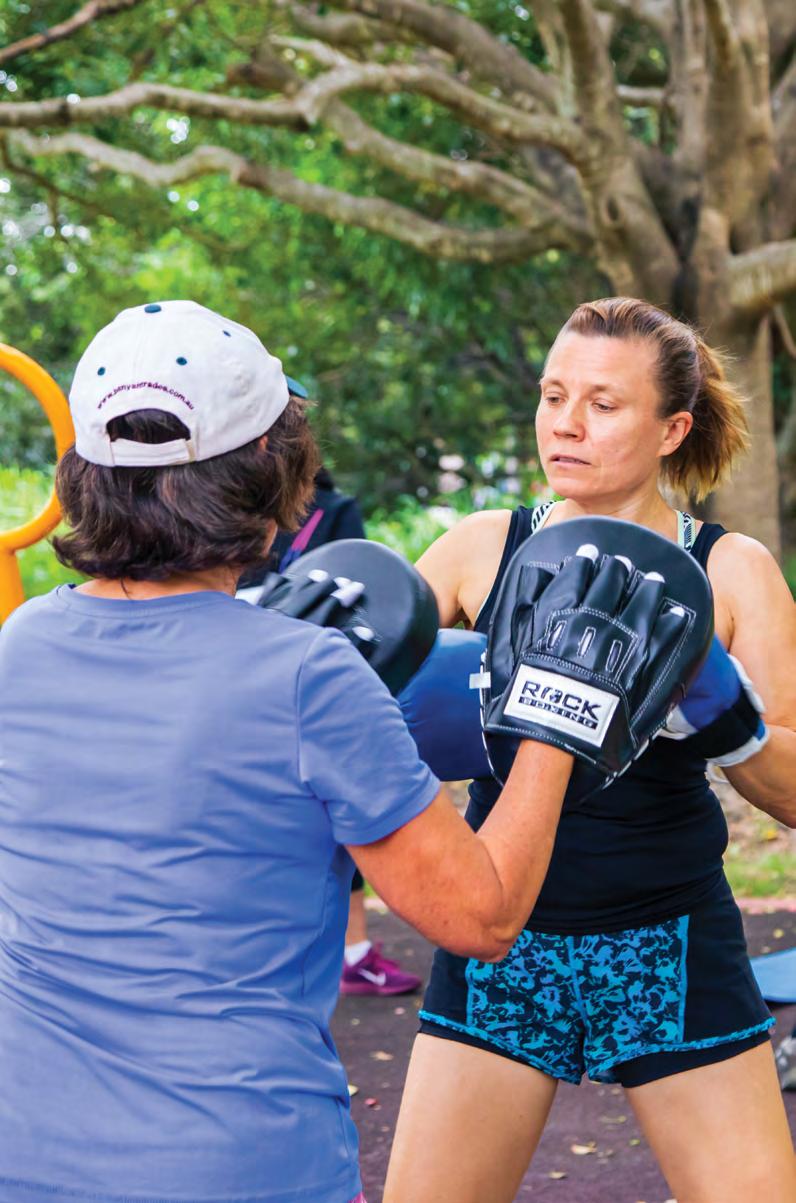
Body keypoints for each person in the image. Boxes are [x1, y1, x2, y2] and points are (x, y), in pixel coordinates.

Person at [0, 299, 594, 1203]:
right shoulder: (309, 677)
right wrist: (559, 708)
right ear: (272, 467)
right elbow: (481, 918)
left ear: (81, 472)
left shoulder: (20, 645)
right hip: (240, 1168)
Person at [385, 297, 796, 1203]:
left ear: (671, 429)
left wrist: (726, 718)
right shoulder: (479, 550)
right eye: (553, 395)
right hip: (504, 947)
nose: (565, 423)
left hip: (668, 940)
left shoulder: (731, 571)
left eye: (603, 404)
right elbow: (347, 716)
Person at [239, 448, 421, 995]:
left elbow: (358, 581)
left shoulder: (331, 509)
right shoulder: (233, 506)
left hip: (302, 663)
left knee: (331, 813)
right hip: (257, 663)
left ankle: (352, 950)